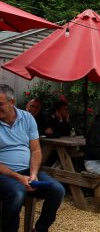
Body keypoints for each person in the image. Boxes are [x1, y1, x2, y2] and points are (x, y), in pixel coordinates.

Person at [0, 84, 65, 232]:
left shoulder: (27, 118)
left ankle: (40, 229)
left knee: (57, 190)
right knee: (17, 192)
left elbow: (35, 150)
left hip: (28, 171)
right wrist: (17, 177)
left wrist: (34, 174)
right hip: (4, 175)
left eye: (0, 104)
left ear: (12, 102)